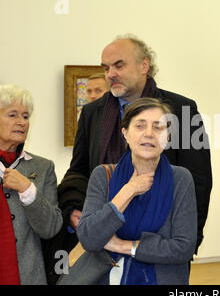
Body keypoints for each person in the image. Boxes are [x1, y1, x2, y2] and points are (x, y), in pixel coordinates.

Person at [44, 34, 212, 284]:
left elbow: (198, 180)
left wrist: (185, 243)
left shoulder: (182, 109)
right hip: (102, 247)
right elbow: (79, 170)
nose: (110, 73)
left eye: (119, 65)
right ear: (125, 132)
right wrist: (75, 210)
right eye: (105, 67)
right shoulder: (92, 113)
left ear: (144, 66)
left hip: (161, 251)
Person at [77, 97, 197, 284]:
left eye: (158, 127)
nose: (149, 134)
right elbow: (90, 239)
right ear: (125, 133)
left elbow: (183, 248)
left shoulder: (180, 179)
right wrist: (128, 191)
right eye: (140, 126)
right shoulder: (103, 175)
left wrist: (122, 245)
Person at [0, 84, 62, 285]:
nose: (21, 122)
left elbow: (51, 228)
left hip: (28, 278)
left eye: (25, 117)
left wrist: (28, 190)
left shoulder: (43, 167)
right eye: (13, 115)